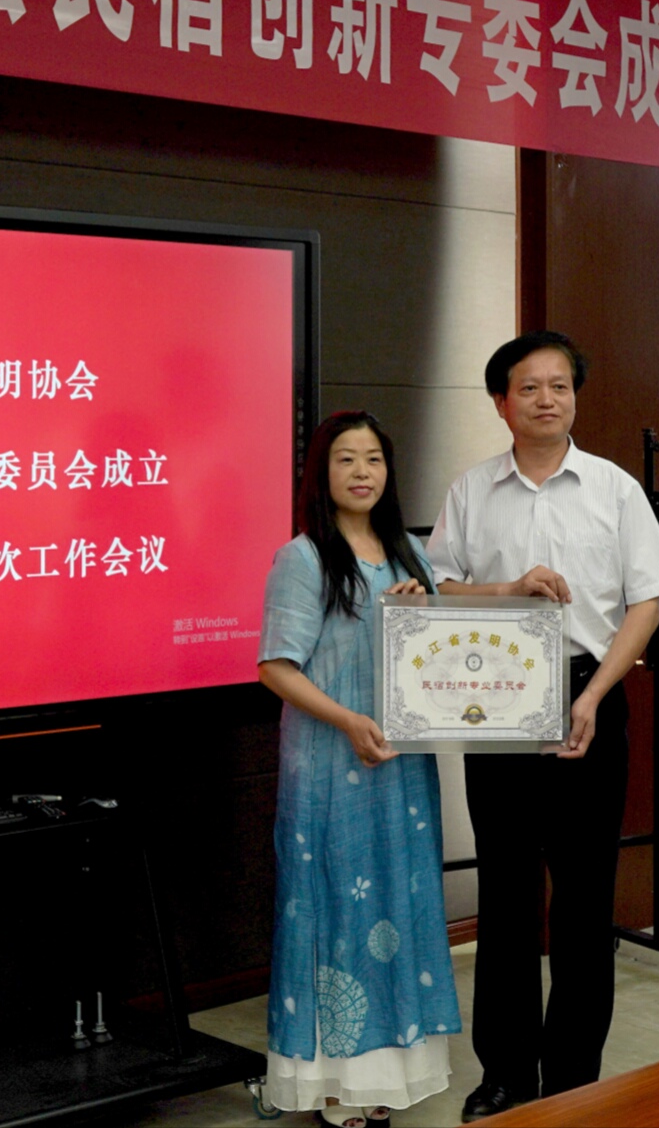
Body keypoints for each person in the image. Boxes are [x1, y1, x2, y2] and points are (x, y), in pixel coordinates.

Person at [429, 331, 659, 1120]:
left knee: (583, 899)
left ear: (576, 395)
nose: (547, 399)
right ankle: (505, 1073)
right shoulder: (472, 491)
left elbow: (648, 602)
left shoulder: (614, 488)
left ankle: (575, 1075)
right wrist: (508, 588)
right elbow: (437, 588)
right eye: (529, 387)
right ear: (501, 401)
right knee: (505, 897)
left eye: (560, 385)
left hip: (588, 695)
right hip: (498, 699)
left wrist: (595, 695)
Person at [258, 411, 463, 1126]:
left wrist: (423, 611)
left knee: (400, 912)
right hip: (327, 769)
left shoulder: (412, 553)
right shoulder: (303, 557)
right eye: (346, 458)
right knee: (336, 913)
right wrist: (347, 720)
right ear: (322, 472)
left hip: (402, 771)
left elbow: (438, 654)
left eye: (374, 458)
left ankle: (391, 1074)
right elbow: (276, 667)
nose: (362, 471)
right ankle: (331, 1083)